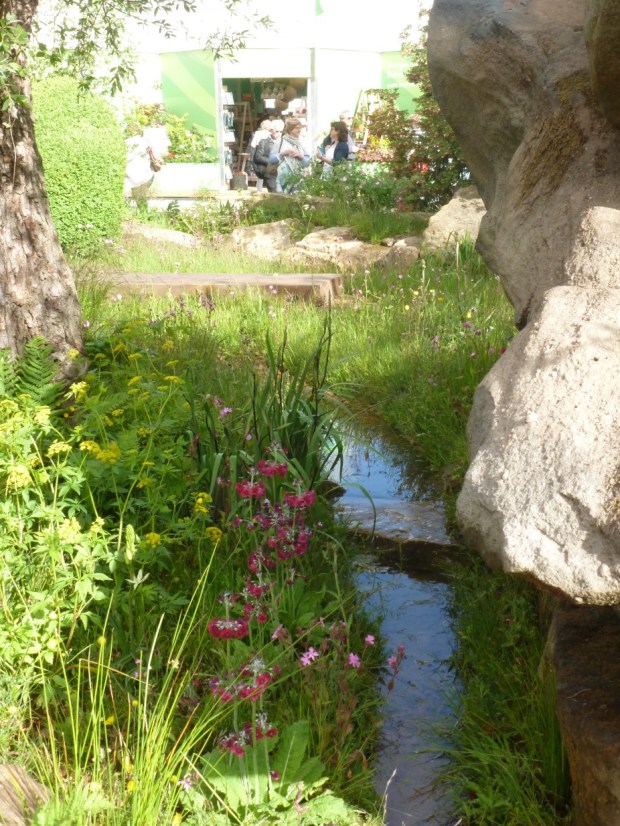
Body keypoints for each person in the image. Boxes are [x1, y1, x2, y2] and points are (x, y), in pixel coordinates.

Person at [124, 130, 162, 203]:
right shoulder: (146, 141)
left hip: (131, 179)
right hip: (145, 177)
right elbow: (156, 160)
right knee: (141, 200)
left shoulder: (124, 143)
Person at [276, 117, 310, 193]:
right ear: (290, 129)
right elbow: (271, 159)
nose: (299, 130)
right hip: (283, 179)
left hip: (299, 180)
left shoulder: (303, 142)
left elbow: (307, 162)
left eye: (300, 128)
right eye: (297, 128)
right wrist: (282, 154)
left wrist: (300, 157)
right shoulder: (280, 141)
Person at [253, 119, 284, 193]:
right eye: (277, 131)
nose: (279, 133)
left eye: (281, 131)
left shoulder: (283, 142)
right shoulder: (263, 142)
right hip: (269, 171)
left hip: (281, 171)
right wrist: (271, 162)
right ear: (271, 131)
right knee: (274, 193)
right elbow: (258, 157)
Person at [249, 119, 271, 191]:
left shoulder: (257, 134)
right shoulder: (267, 136)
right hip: (264, 157)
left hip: (257, 157)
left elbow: (252, 146)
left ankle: (259, 189)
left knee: (260, 175)